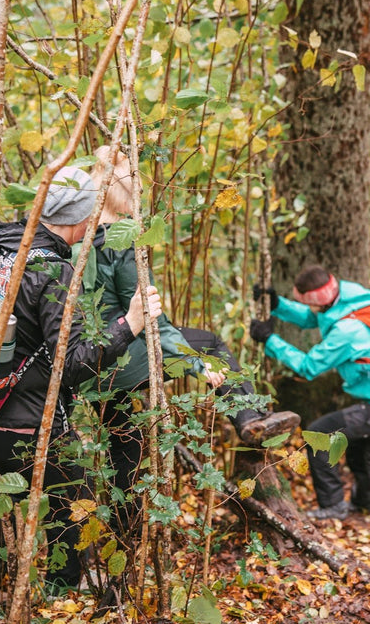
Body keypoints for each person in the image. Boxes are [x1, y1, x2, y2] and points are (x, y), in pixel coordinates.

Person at [0, 165, 163, 609]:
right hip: (25, 415)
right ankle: (57, 594)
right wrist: (129, 324)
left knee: (20, 486)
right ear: (78, 218)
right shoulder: (51, 270)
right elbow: (71, 365)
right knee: (72, 493)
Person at [83, 147, 300, 536]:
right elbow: (151, 321)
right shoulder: (121, 241)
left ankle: (125, 540)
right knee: (211, 344)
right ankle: (249, 419)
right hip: (126, 357)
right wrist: (197, 364)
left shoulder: (80, 234)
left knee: (124, 453)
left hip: (90, 365)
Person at [250, 265, 370, 520]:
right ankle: (364, 504)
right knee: (359, 450)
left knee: (319, 434)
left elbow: (308, 368)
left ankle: (334, 506)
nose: (309, 309)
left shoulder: (347, 333)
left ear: (319, 300)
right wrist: (277, 304)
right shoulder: (348, 297)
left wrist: (270, 340)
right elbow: (312, 317)